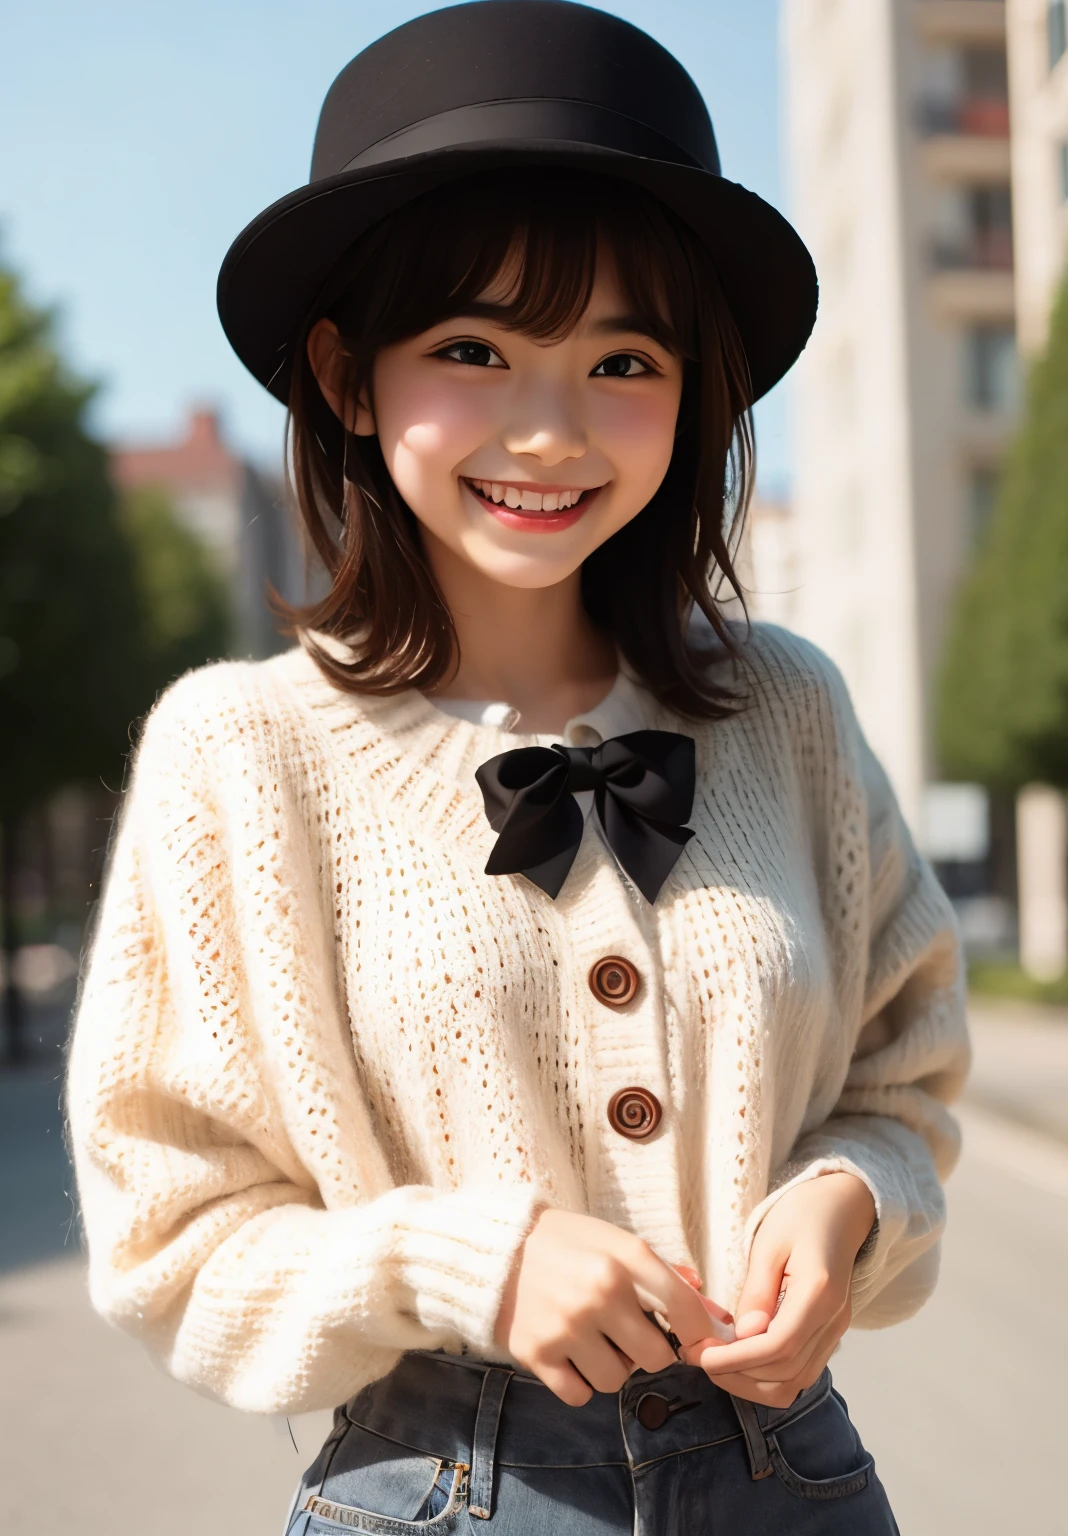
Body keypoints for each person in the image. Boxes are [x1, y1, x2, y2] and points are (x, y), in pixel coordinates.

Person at [67, 4, 970, 1532]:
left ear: (696, 394)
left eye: (624, 358)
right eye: (473, 349)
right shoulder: (239, 753)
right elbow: (168, 1231)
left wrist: (850, 1197)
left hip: (791, 1479)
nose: (549, 432)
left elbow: (904, 1076)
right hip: (441, 1486)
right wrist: (462, 1261)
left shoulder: (788, 714)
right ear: (349, 377)